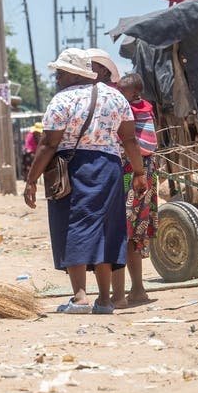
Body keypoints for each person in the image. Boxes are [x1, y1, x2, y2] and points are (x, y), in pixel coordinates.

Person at [25, 48, 147, 315]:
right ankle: (105, 300)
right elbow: (129, 139)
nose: (56, 77)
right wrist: (139, 173)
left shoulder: (61, 101)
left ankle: (79, 297)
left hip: (71, 169)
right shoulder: (115, 97)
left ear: (73, 73)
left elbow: (48, 144)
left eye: (60, 72)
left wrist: (32, 179)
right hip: (109, 169)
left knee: (72, 226)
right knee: (107, 229)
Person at [111, 74, 157, 308]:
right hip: (135, 172)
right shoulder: (131, 106)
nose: (119, 94)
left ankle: (135, 288)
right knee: (129, 230)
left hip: (137, 174)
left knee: (130, 230)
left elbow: (142, 145)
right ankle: (132, 289)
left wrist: (137, 171)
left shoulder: (137, 111)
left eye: (123, 91)